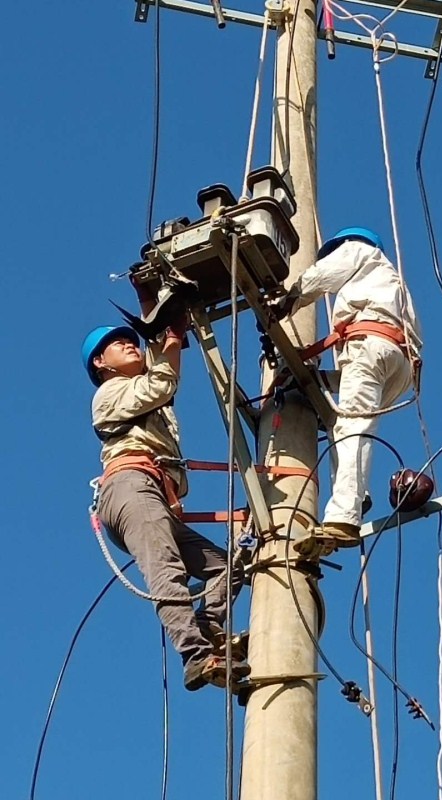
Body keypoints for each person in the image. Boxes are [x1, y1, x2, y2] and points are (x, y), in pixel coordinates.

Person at [81, 286, 248, 692]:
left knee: (227, 568)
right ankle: (195, 654)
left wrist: (166, 336)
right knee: (166, 568)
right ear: (101, 364)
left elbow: (162, 377)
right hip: (131, 488)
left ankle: (208, 627)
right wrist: (172, 340)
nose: (127, 345)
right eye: (118, 345)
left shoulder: (144, 396)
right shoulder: (110, 395)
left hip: (154, 494)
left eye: (129, 340)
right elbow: (161, 384)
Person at [272, 226, 422, 559]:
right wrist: (319, 380)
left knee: (350, 425)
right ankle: (359, 491)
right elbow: (363, 368)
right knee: (347, 422)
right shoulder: (392, 284)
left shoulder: (357, 249)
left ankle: (344, 516)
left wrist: (289, 299)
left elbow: (324, 274)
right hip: (397, 363)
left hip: (368, 344)